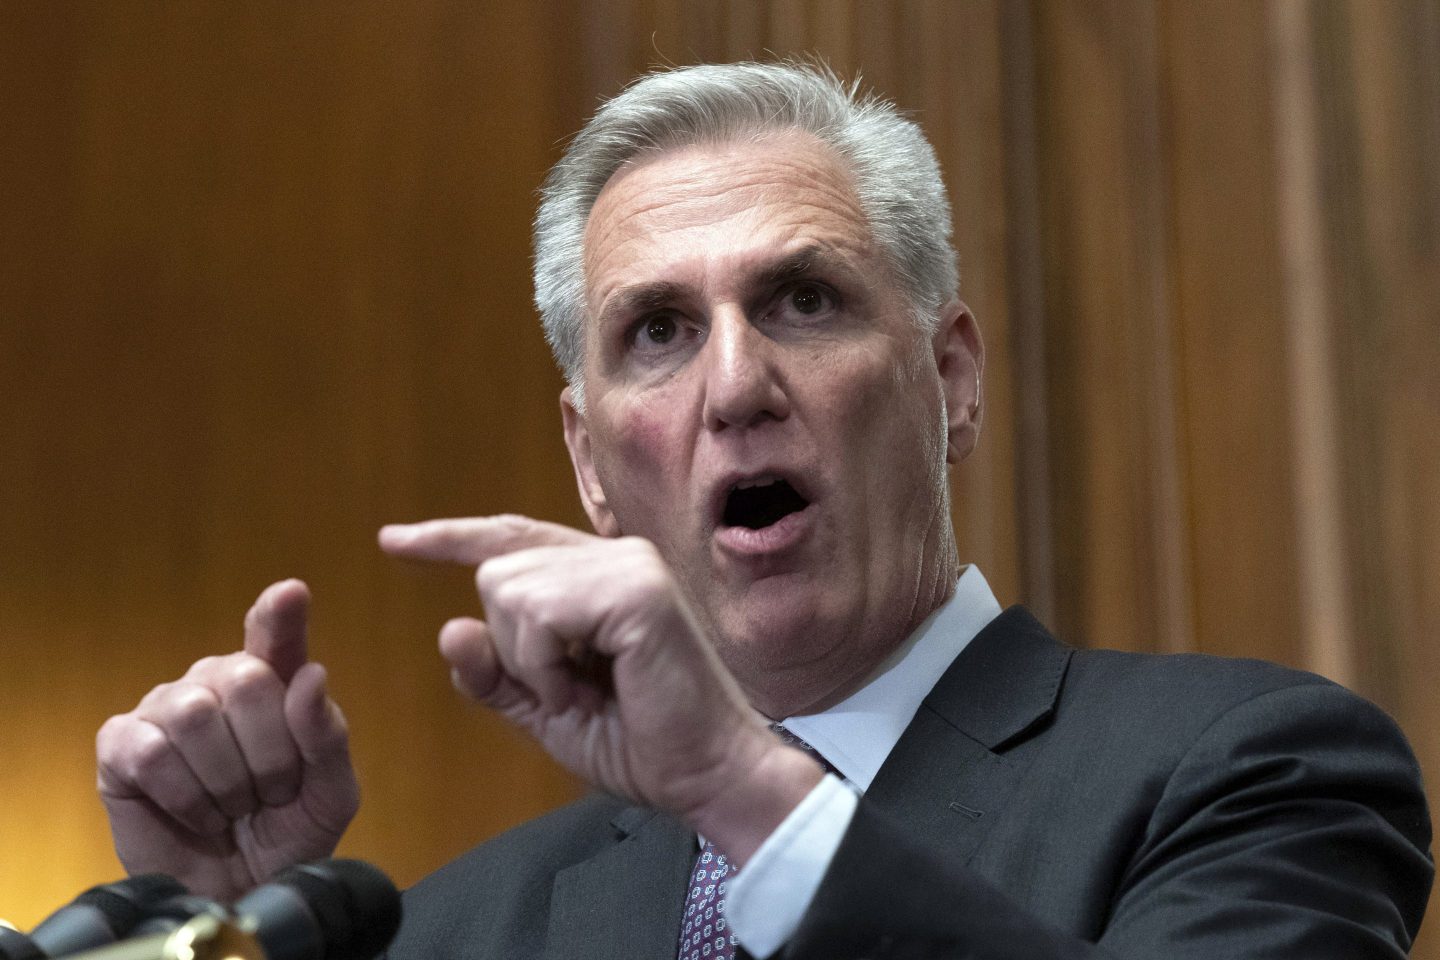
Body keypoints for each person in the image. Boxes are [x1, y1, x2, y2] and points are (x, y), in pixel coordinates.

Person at [94, 61, 1431, 959]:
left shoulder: (1253, 775)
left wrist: (748, 792)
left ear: (951, 383)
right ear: (590, 463)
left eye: (804, 301)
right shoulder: (457, 927)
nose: (736, 384)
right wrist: (206, 932)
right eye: (661, 331)